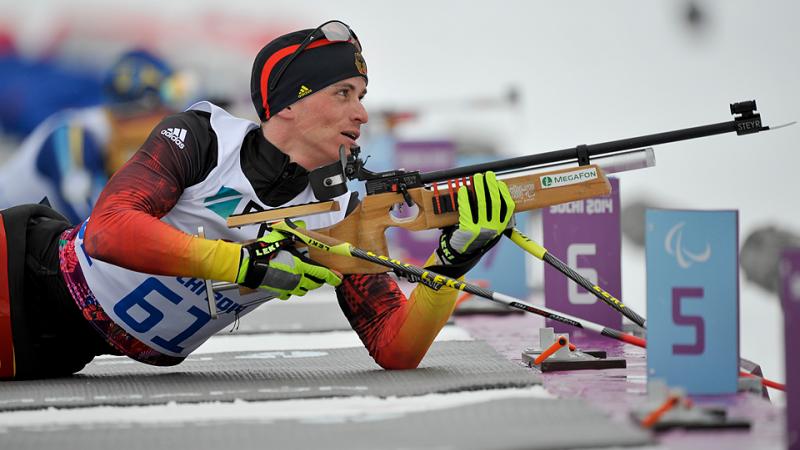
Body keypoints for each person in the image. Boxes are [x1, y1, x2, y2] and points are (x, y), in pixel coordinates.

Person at [0, 20, 515, 380]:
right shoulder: (202, 137)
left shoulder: (339, 214)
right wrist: (245, 264)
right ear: (289, 104)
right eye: (344, 93)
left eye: (362, 95)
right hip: (21, 269)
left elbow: (396, 347)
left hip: (57, 352)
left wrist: (449, 266)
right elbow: (109, 230)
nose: (361, 113)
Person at [0, 48, 193, 225]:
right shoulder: (71, 136)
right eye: (166, 108)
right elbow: (100, 225)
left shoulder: (112, 136)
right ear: (141, 110)